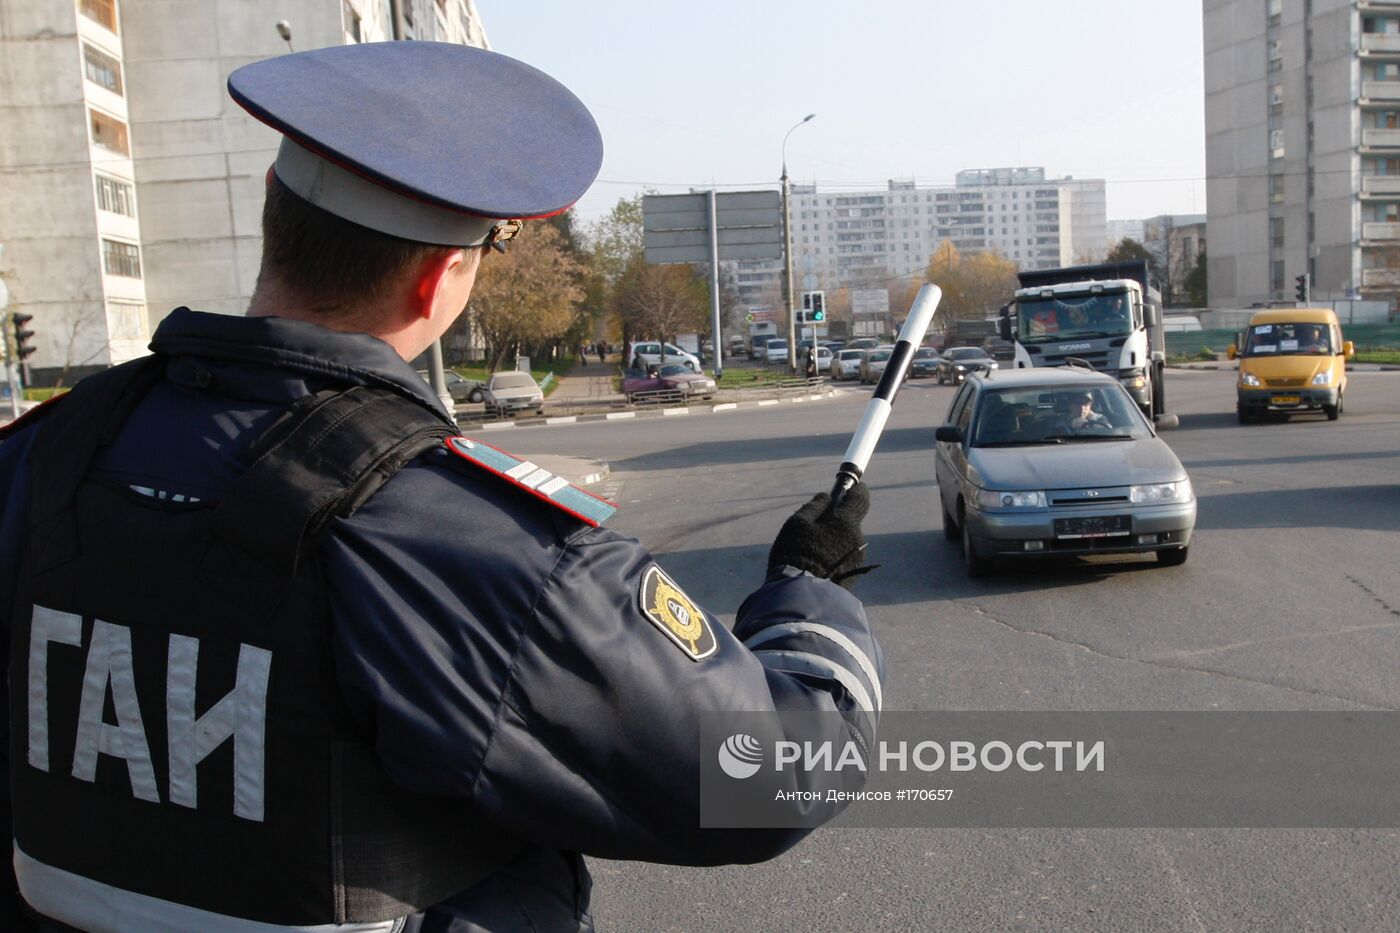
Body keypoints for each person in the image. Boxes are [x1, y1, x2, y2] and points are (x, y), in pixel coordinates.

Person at [0, 43, 882, 933]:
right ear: (437, 276)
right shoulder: (472, 543)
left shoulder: (43, 459)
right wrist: (810, 599)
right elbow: (765, 773)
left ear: (273, 205)